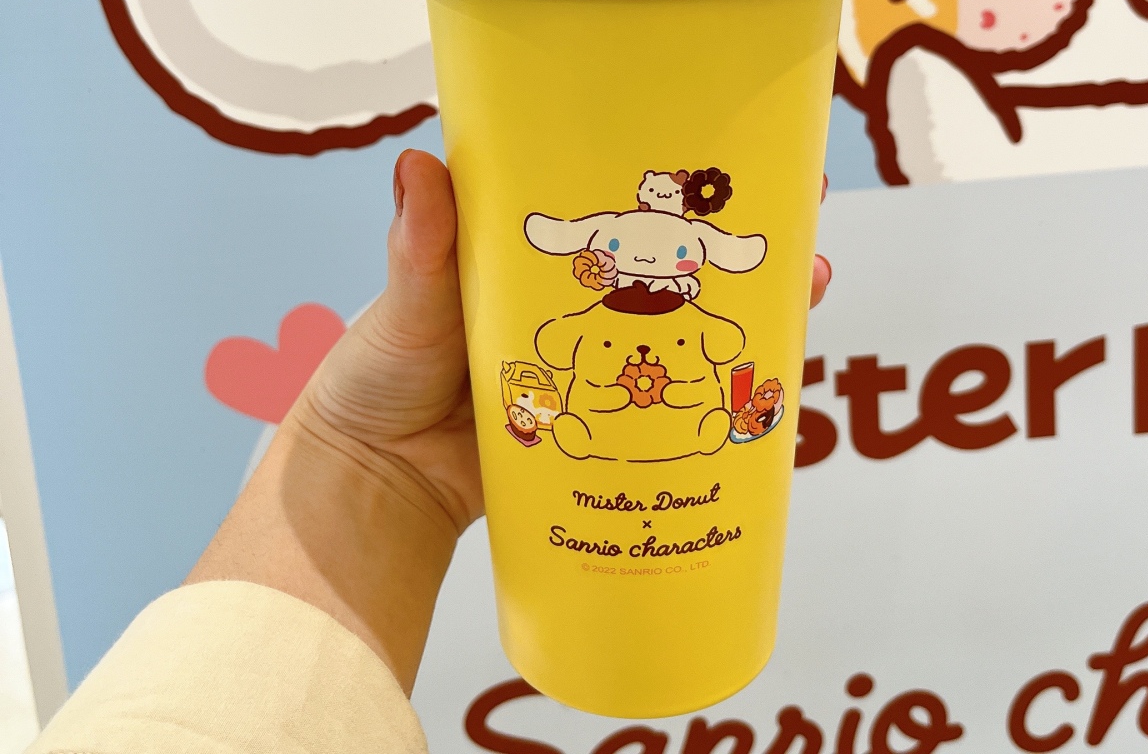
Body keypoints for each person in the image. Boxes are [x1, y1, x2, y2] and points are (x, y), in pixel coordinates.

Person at [27, 151, 832, 754]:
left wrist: (373, 458)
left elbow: (730, 339)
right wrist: (378, 454)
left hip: (686, 448)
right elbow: (560, 336)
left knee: (700, 423)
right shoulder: (585, 320)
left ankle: (692, 429)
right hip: (587, 439)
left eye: (675, 253)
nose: (650, 263)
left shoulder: (697, 319)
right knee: (583, 423)